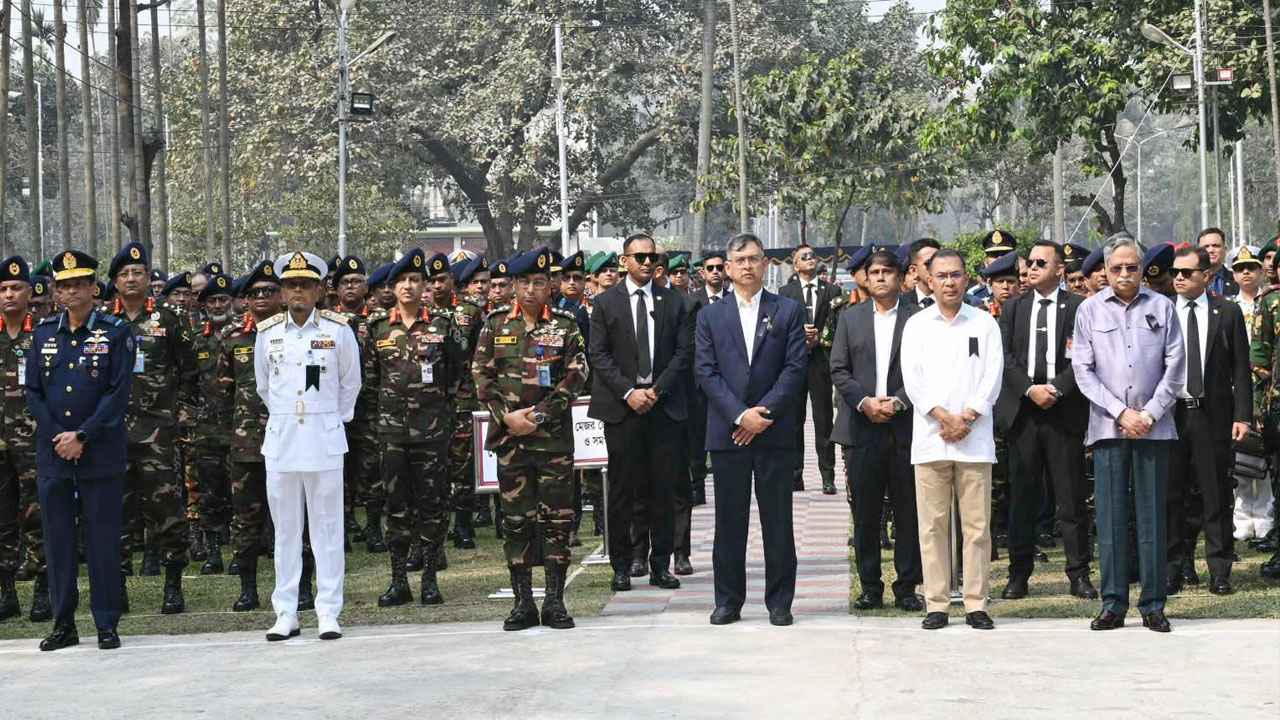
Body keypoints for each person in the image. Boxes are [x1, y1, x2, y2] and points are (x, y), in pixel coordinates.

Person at [694, 233, 806, 627]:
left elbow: (794, 369)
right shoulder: (709, 315)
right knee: (729, 521)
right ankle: (727, 600)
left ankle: (780, 602)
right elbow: (705, 372)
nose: (747, 266)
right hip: (728, 433)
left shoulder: (788, 310)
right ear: (726, 268)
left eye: (754, 259)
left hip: (774, 432)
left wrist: (764, 414)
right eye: (739, 260)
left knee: (777, 520)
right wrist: (741, 416)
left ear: (766, 264)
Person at [473, 246, 588, 631]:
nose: (530, 290)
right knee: (516, 520)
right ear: (514, 286)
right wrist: (507, 418)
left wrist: (538, 415)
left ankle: (554, 600)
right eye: (524, 282)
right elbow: (481, 378)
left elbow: (575, 378)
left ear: (550, 285)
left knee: (557, 520)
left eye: (539, 282)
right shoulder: (495, 324)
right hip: (512, 442)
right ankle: (522, 602)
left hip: (552, 442)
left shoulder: (567, 326)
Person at [1072, 237, 1184, 633]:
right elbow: (1083, 370)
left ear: (1141, 268)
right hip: (1108, 427)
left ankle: (1153, 604)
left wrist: (1148, 414)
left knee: (1153, 518)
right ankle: (1113, 603)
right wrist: (1121, 412)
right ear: (1105, 269)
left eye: (1131, 267)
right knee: (1112, 517)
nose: (1124, 274)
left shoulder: (1163, 307)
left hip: (1153, 429)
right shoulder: (1088, 310)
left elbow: (1176, 368)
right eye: (1116, 268)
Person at [26, 249, 135, 651]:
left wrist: (83, 436)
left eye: (80, 284)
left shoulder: (116, 332)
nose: (72, 291)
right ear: (56, 291)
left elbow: (117, 393)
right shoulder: (42, 334)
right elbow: (34, 393)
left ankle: (106, 623)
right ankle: (63, 624)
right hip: (54, 454)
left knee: (103, 540)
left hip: (99, 452)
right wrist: (60, 437)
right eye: (65, 285)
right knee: (58, 542)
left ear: (94, 288)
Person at [254, 251, 360, 641]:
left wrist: (330, 418)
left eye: (305, 284)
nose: (298, 291)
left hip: (325, 438)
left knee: (327, 529)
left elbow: (351, 383)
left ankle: (328, 611)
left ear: (319, 290)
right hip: (282, 440)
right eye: (290, 285)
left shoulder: (338, 330)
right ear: (282, 292)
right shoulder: (268, 333)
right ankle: (286, 612)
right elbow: (264, 387)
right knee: (285, 530)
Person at [900, 248, 1003, 631]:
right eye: (941, 275)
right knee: (932, 526)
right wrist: (943, 417)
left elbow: (992, 376)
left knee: (977, 526)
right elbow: (913, 381)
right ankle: (938, 603)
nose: (949, 282)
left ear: (966, 278)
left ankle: (976, 602)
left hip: (975, 440)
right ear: (928, 278)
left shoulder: (984, 323)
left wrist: (969, 416)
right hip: (930, 439)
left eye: (956, 275)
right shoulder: (917, 325)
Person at [588, 233, 692, 591]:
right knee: (623, 491)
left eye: (652, 257)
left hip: (663, 408)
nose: (648, 263)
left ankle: (660, 564)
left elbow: (683, 353)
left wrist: (656, 391)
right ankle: (622, 564)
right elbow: (598, 355)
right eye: (640, 257)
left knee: (662, 490)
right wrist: (630, 392)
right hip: (622, 409)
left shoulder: (674, 301)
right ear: (625, 261)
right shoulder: (604, 303)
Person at [995, 241, 1097, 600]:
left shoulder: (1078, 307)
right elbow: (1004, 357)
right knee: (1022, 497)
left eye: (1041, 262)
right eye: (1030, 263)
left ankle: (1079, 574)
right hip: (1024, 415)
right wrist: (1028, 389)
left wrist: (1056, 389)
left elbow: (1084, 356)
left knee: (1070, 499)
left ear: (1060, 270)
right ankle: (1018, 575)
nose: (1032, 268)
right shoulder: (1014, 308)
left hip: (1063, 411)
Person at [368, 250, 465, 606]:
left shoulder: (442, 324)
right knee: (395, 506)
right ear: (393, 288)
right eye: (403, 281)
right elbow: (370, 379)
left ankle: (428, 579)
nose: (409, 286)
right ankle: (398, 581)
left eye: (415, 280)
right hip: (392, 433)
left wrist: (440, 412)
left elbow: (457, 372)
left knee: (433, 505)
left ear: (425, 286)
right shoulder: (378, 328)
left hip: (432, 432)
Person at [829, 250, 923, 612]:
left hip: (905, 426)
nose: (881, 277)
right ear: (865, 278)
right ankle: (870, 586)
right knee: (865, 515)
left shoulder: (918, 319)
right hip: (861, 427)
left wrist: (897, 402)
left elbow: (925, 370)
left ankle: (906, 587)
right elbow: (838, 369)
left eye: (888, 272)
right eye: (875, 272)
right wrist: (865, 402)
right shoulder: (849, 319)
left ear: (901, 278)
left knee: (907, 512)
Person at [107, 243, 197, 613]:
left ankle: (173, 586)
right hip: (110, 435)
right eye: (125, 274)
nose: (131, 279)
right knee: (116, 513)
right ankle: (119, 588)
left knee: (166, 511)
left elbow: (190, 371)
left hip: (158, 432)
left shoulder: (170, 318)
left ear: (148, 278)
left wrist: (182, 415)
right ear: (115, 282)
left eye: (138, 272)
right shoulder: (102, 322)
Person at [1165, 246, 1251, 596]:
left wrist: (1243, 414)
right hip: (1170, 415)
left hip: (1212, 414)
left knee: (1215, 493)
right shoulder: (1162, 310)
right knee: (1172, 494)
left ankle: (1219, 568)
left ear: (1207, 275)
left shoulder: (1226, 312)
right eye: (1176, 272)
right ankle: (1174, 566)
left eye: (1187, 272)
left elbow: (1240, 369)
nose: (1179, 278)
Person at [217, 260, 280, 612]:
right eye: (254, 293)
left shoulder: (292, 334)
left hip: (287, 439)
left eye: (269, 291)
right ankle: (248, 588)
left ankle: (299, 586)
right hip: (246, 443)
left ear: (281, 295)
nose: (261, 298)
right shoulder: (232, 338)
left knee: (291, 519)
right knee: (246, 518)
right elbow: (224, 390)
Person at [0, 257, 48, 623]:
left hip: (34, 445)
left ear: (30, 293)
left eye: (16, 287)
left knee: (38, 517)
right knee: (2, 522)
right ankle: (7, 593)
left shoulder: (44, 336)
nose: (9, 294)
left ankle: (44, 591)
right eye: (3, 289)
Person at [779, 244, 843, 495]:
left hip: (821, 361)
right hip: (795, 362)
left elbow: (837, 324)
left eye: (812, 256)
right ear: (795, 265)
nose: (809, 259)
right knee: (794, 420)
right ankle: (795, 475)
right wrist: (799, 336)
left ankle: (828, 475)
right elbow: (781, 326)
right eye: (803, 257)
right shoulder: (785, 292)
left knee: (823, 419)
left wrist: (821, 339)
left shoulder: (833, 290)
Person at [190, 273, 237, 575]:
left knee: (241, 494)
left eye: (223, 299)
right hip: (205, 429)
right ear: (204, 305)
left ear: (232, 302)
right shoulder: (195, 340)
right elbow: (186, 382)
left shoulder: (248, 334)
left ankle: (240, 551)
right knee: (209, 493)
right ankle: (213, 552)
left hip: (240, 427)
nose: (218, 305)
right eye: (212, 301)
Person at [1229, 247, 1274, 541]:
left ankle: (1266, 514)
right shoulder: (1228, 307)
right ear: (1232, 274)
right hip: (1239, 386)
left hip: (1268, 387)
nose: (1246, 272)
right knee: (1241, 452)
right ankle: (1243, 516)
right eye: (1240, 268)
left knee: (1267, 453)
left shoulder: (1270, 303)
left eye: (1252, 267)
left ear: (1261, 271)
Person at [1198, 228, 1238, 297]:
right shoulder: (1191, 279)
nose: (1211, 250)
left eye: (1216, 246)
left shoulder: (1236, 280)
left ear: (1225, 250)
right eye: (1206, 247)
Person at [902, 239, 940, 308]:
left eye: (939, 262)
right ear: (914, 270)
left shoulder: (959, 302)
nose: (936, 267)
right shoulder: (899, 304)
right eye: (928, 263)